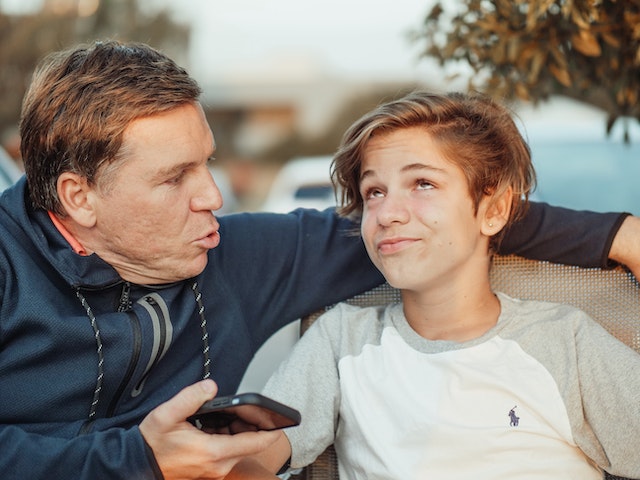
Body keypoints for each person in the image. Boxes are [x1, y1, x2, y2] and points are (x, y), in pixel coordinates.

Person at [0, 41, 638, 480]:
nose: (213, 199)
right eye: (175, 179)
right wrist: (135, 460)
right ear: (78, 198)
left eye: (208, 164)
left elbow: (446, 223)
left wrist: (619, 234)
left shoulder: (237, 253)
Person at [224, 91, 640, 479]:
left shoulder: (565, 341)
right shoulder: (342, 341)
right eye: (374, 192)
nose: (388, 213)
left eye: (423, 184)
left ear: (493, 211)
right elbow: (254, 459)